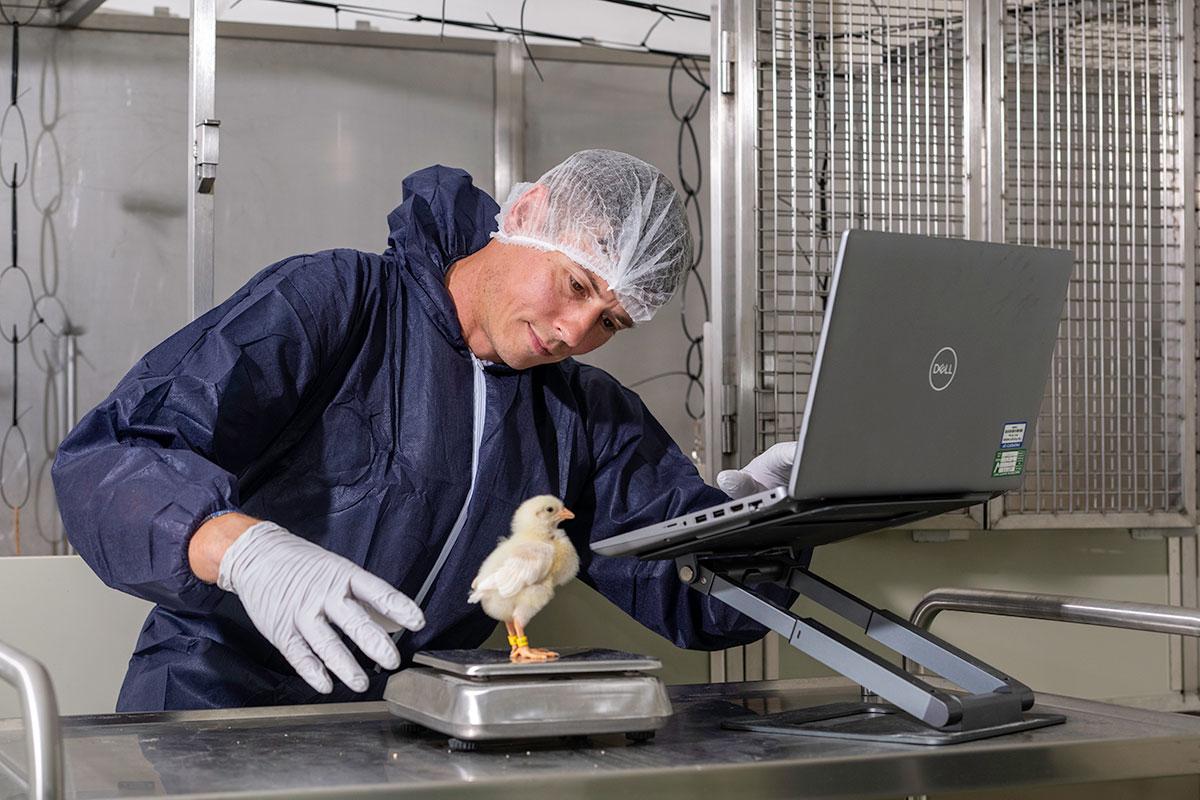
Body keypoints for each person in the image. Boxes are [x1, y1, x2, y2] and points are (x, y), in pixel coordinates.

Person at [51, 149, 794, 712]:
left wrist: (764, 523)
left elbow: (694, 598)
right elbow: (111, 457)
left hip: (405, 733)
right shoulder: (338, 304)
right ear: (530, 213)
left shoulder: (582, 416)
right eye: (575, 285)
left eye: (611, 321)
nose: (574, 330)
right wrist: (242, 549)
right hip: (215, 712)